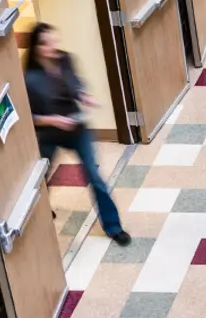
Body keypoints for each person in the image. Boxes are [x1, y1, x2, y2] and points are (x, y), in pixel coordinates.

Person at [24, 23, 130, 246]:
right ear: (36, 48)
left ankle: (114, 227)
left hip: (77, 129)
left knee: (94, 177)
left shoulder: (65, 60)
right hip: (50, 133)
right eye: (46, 43)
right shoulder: (29, 79)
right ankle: (41, 216)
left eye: (54, 40)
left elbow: (77, 84)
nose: (53, 47)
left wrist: (84, 96)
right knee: (40, 179)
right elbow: (29, 116)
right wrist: (53, 120)